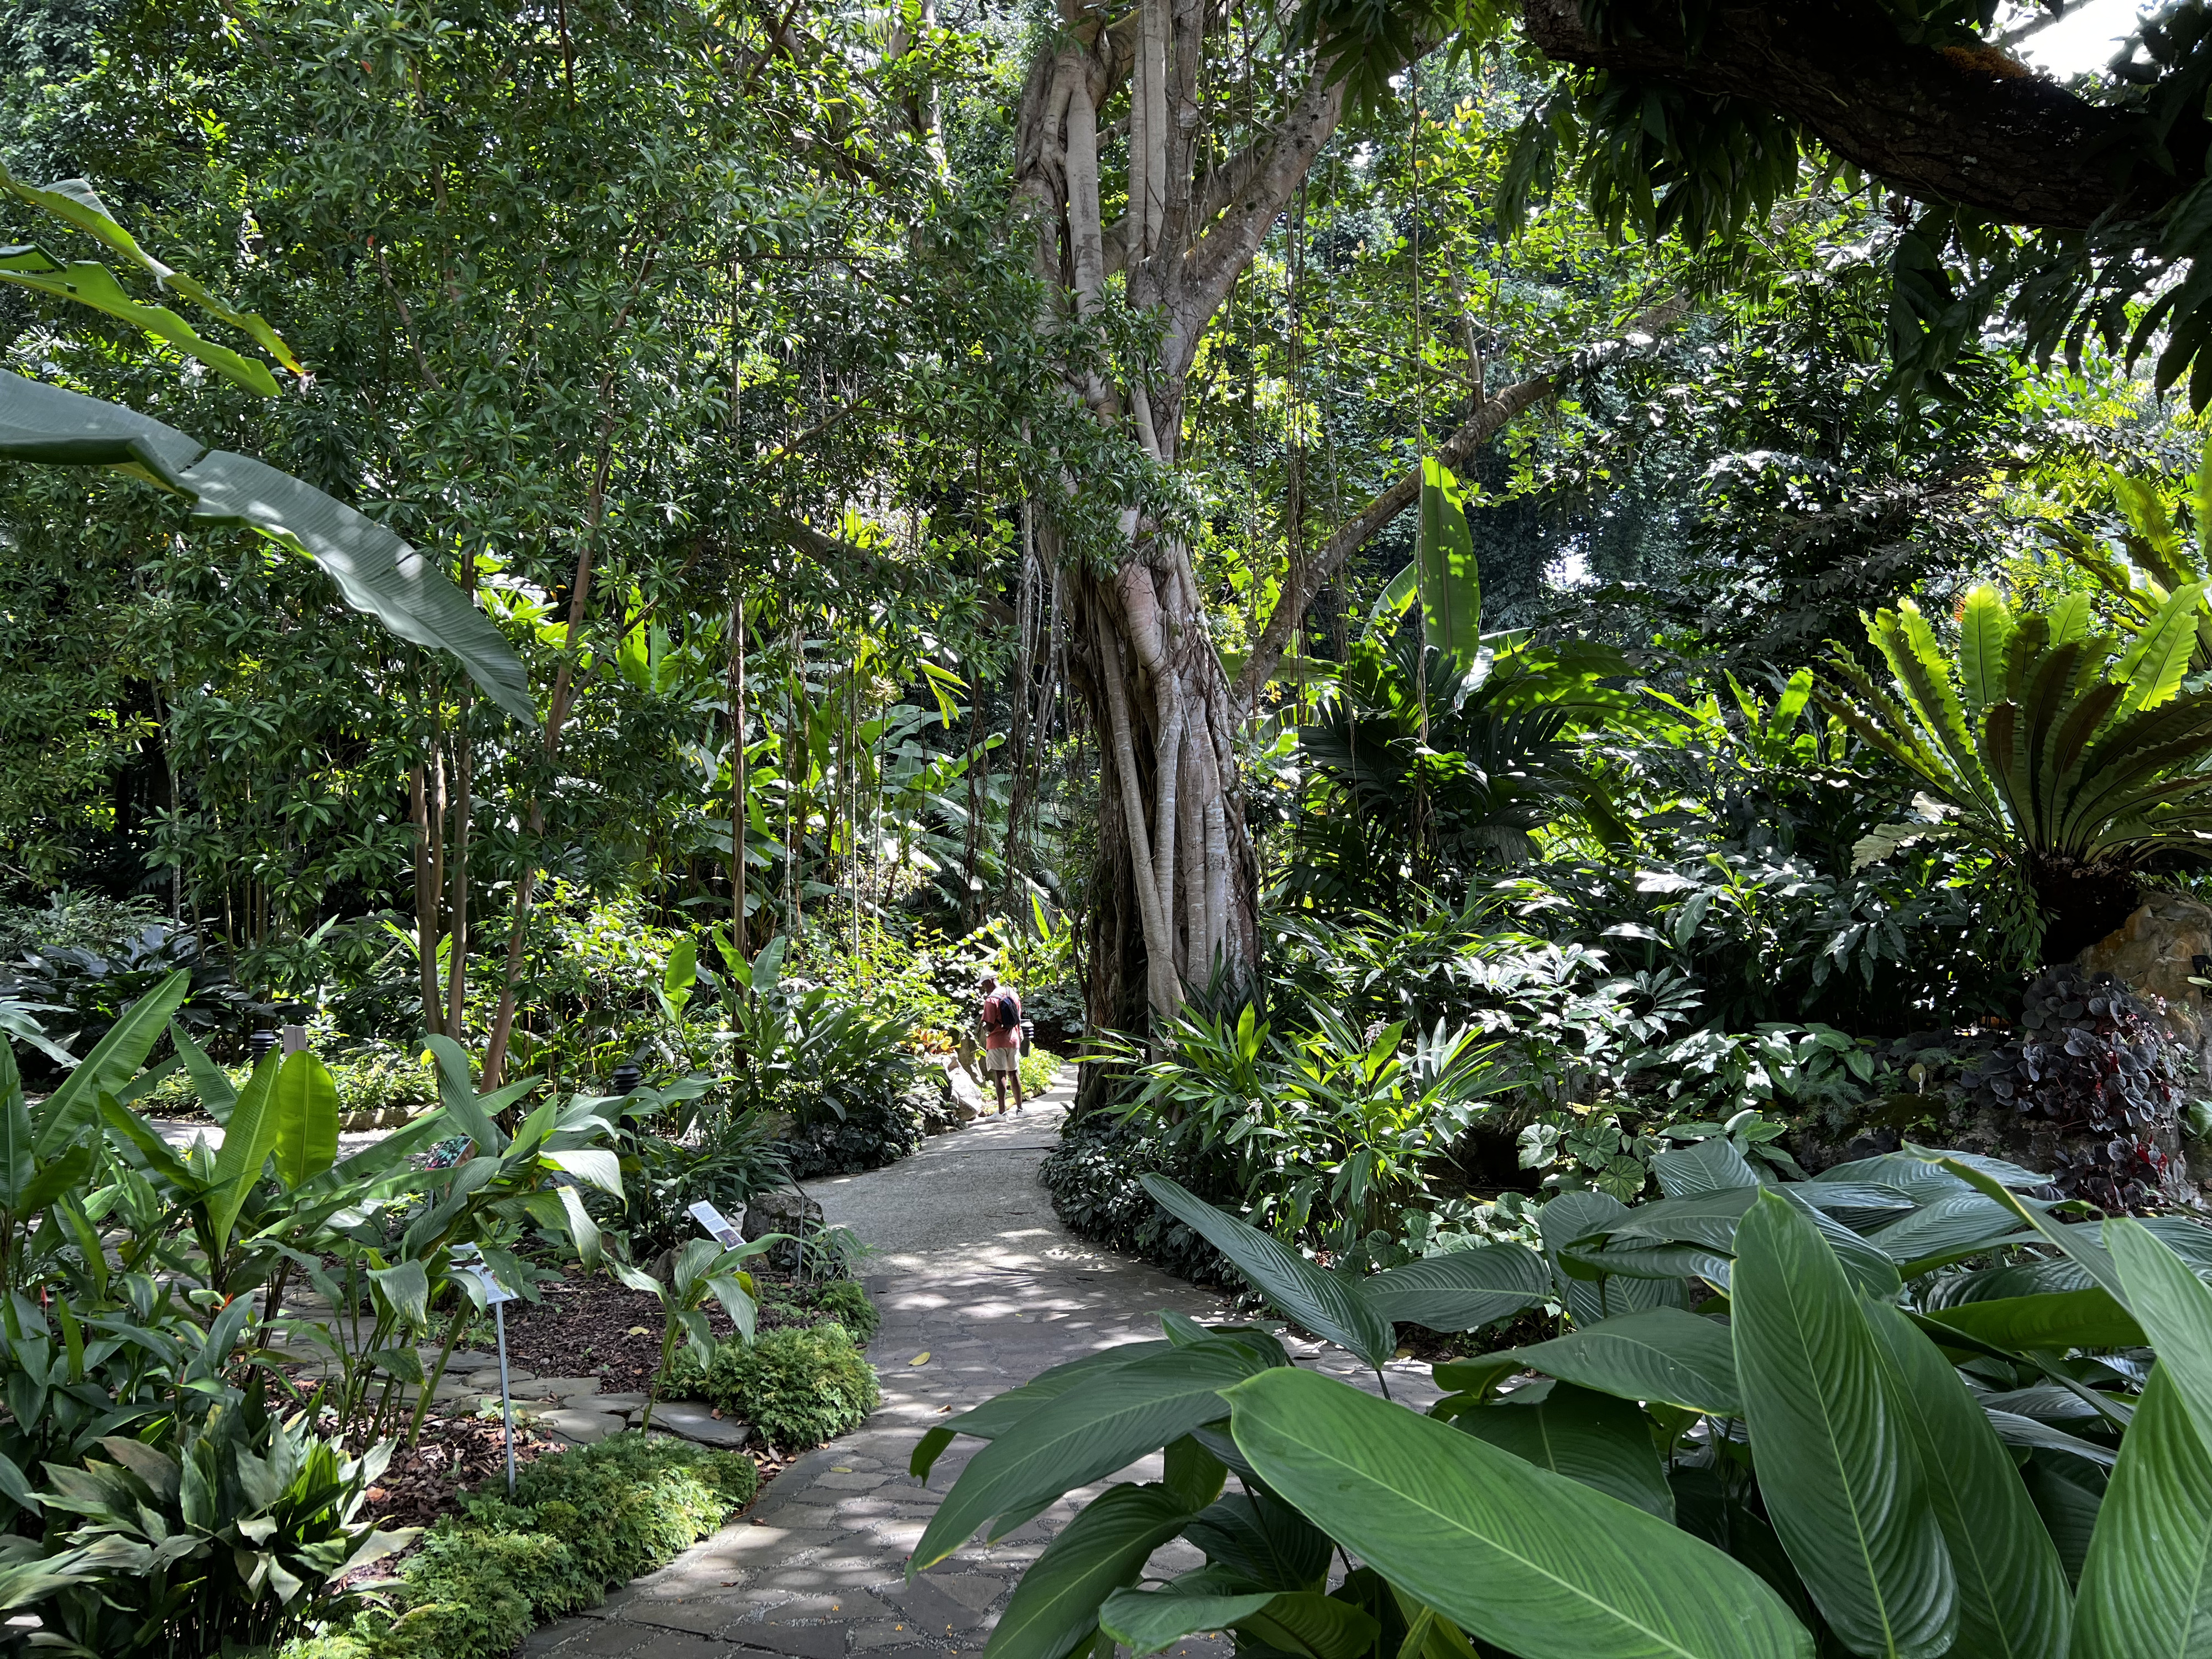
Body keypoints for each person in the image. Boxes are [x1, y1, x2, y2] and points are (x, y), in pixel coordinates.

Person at [977, 973, 1025, 1114]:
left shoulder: (991, 1000)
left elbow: (990, 1026)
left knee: (1000, 1075)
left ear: (991, 981)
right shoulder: (1013, 994)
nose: (984, 988)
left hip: (997, 1041)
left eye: (985, 984)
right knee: (1014, 1073)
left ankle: (1002, 1113)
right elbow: (1018, 1018)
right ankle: (1020, 1109)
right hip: (1013, 1039)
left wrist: (984, 1028)